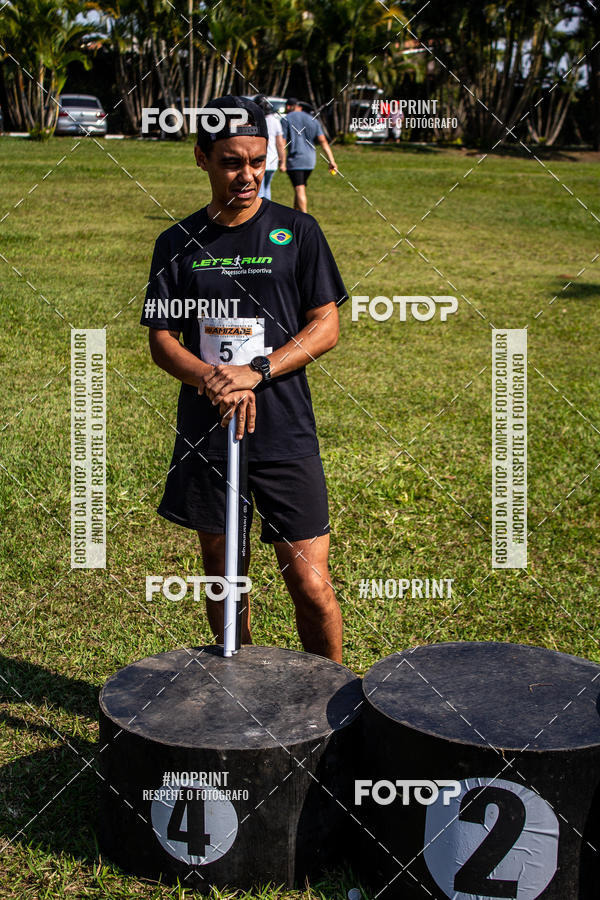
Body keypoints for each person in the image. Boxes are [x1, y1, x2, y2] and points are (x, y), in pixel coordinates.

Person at [140, 95, 347, 663]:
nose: (248, 175)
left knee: (310, 584)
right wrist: (212, 378)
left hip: (284, 430)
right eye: (233, 162)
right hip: (209, 429)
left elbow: (325, 324)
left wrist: (255, 370)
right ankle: (243, 704)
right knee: (225, 576)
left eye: (258, 161)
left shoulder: (298, 231)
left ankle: (339, 715)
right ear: (202, 158)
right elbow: (162, 340)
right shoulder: (176, 244)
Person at [281, 98, 337, 213]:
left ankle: (304, 219)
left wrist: (282, 161)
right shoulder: (313, 120)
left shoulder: (286, 119)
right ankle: (295, 216)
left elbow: (282, 142)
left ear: (289, 107)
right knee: (299, 188)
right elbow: (323, 142)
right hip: (310, 161)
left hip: (295, 160)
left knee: (299, 188)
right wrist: (331, 160)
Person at [255, 95, 286, 200]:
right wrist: (283, 162)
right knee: (267, 188)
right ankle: (267, 211)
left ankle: (259, 213)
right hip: (273, 160)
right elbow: (280, 143)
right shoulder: (275, 121)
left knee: (259, 190)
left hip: (259, 160)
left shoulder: (256, 121)